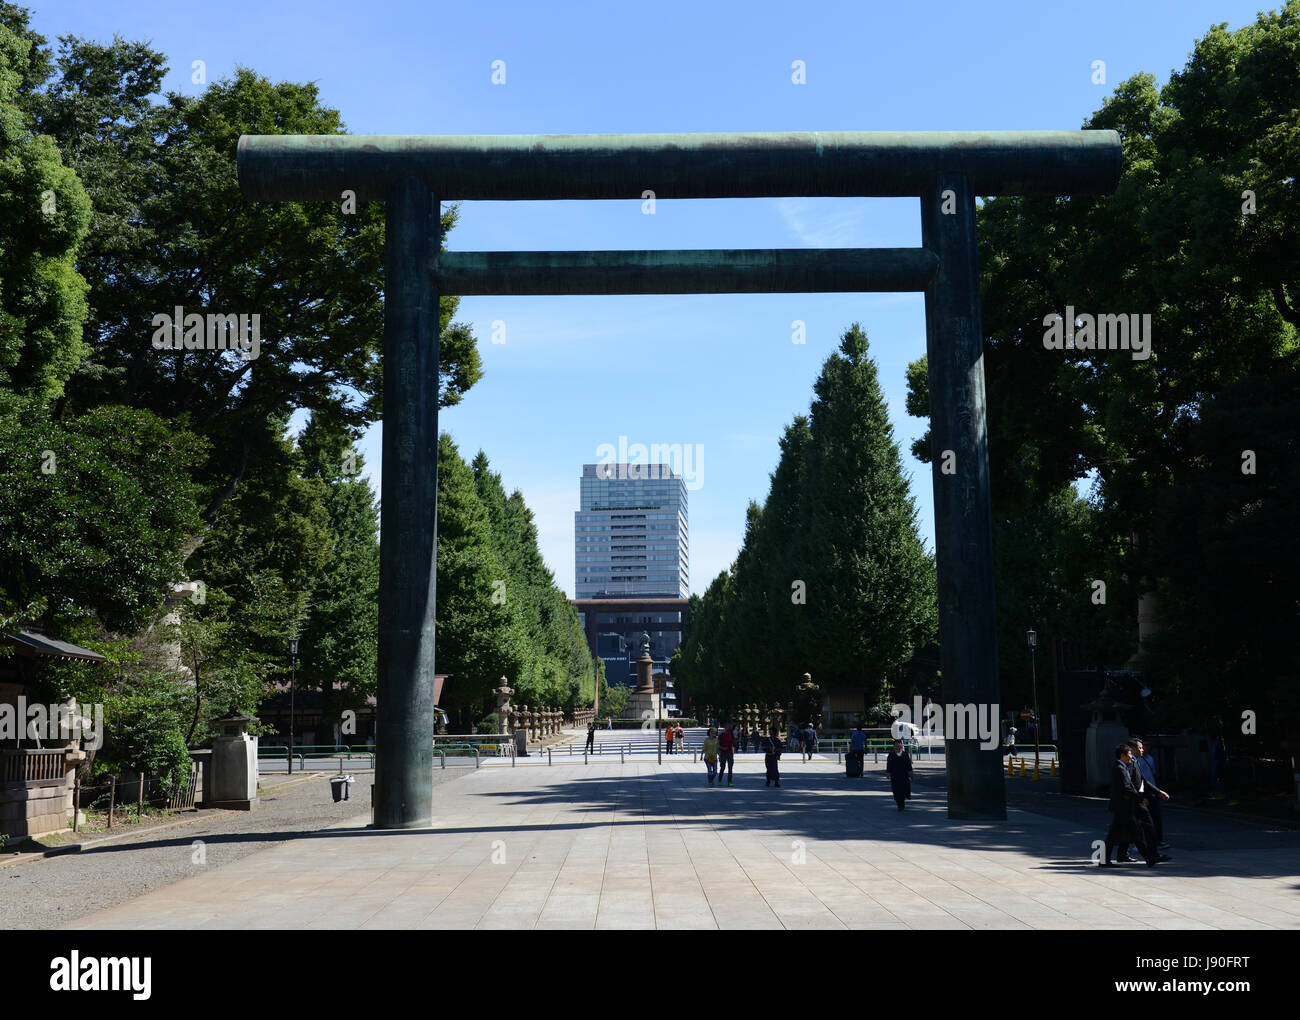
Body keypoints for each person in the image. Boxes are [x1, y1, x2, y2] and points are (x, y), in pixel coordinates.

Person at [1103, 743, 1158, 867]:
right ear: (1122, 755)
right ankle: (1149, 858)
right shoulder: (1120, 768)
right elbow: (1127, 787)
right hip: (1123, 807)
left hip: (1124, 807)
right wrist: (1140, 799)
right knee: (1132, 834)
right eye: (1129, 754)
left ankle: (1148, 858)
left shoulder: (1123, 767)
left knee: (1122, 834)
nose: (1131, 757)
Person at [1126, 738, 1172, 860]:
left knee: (1125, 827)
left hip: (1140, 798)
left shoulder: (1137, 761)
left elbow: (1143, 781)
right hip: (1135, 800)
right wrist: (1142, 797)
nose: (1143, 749)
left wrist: (1158, 791)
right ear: (1133, 749)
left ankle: (1124, 854)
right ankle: (1152, 855)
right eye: (1140, 747)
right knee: (1146, 825)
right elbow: (1132, 784)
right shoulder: (1130, 763)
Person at [886, 737, 913, 810]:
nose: (897, 747)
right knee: (896, 790)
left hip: (904, 775)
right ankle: (899, 804)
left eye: (899, 745)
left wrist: (911, 773)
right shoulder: (891, 755)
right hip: (895, 775)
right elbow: (889, 764)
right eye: (896, 745)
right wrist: (888, 773)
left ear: (901, 745)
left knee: (904, 789)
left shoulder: (905, 754)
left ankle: (902, 802)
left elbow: (908, 765)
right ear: (894, 746)